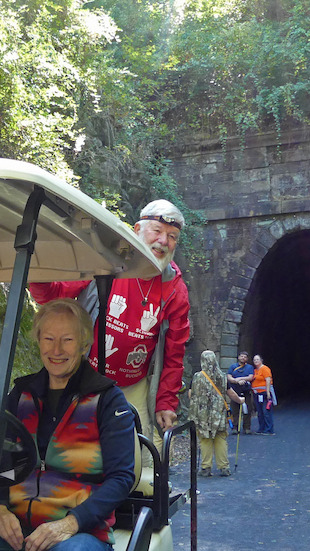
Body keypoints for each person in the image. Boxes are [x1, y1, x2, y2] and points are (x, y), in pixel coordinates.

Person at [0, 299, 135, 551]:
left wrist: (70, 523)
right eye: (48, 339)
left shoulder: (107, 399)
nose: (56, 350)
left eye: (67, 340)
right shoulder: (20, 394)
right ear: (37, 341)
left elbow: (121, 478)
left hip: (80, 534)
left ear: (85, 343)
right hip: (16, 530)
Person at [29, 199, 190, 459]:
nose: (163, 241)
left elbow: (174, 351)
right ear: (137, 229)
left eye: (172, 236)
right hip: (84, 379)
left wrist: (166, 402)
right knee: (74, 452)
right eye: (157, 231)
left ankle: (133, 498)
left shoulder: (175, 290)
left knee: (143, 456)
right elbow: (54, 296)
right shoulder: (104, 262)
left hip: (132, 385)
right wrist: (37, 272)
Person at [188, 350, 231, 477]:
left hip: (203, 415)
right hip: (219, 414)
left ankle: (206, 467)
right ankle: (224, 467)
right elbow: (229, 392)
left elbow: (191, 394)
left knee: (205, 439)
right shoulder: (222, 376)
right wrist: (240, 400)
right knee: (220, 438)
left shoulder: (197, 377)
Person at [226, 351, 254, 435]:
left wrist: (241, 379)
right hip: (235, 391)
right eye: (242, 356)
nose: (243, 358)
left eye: (245, 357)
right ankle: (235, 427)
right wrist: (235, 381)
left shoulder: (249, 367)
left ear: (247, 359)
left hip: (246, 392)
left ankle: (247, 427)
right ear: (238, 357)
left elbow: (251, 377)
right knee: (235, 410)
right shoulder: (233, 366)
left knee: (248, 410)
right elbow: (229, 376)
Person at [251, 354, 275, 436]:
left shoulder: (265, 369)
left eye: (257, 359)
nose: (256, 361)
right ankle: (261, 428)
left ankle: (269, 429)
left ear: (261, 360)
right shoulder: (255, 370)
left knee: (266, 411)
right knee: (260, 412)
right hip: (257, 394)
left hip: (265, 393)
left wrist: (268, 392)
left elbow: (268, 380)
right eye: (254, 360)